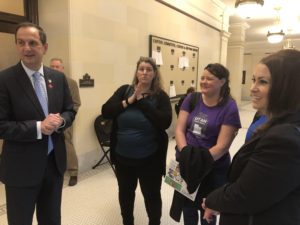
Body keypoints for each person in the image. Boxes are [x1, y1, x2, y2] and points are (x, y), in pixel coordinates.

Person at [203, 49, 300, 225]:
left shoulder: (284, 138)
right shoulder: (269, 117)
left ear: (286, 87)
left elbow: (247, 195)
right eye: (253, 80)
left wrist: (213, 199)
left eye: (263, 82)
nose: (252, 88)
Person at [0, 22, 76, 225]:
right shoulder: (4, 80)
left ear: (44, 47)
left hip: (53, 165)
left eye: (32, 43)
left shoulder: (58, 78)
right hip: (20, 169)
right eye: (21, 42)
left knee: (51, 219)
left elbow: (70, 109)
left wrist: (61, 121)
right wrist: (38, 127)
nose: (26, 48)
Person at [102, 56, 172, 225]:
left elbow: (165, 122)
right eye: (141, 69)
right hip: (123, 159)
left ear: (154, 73)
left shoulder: (160, 96)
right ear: (136, 71)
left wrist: (141, 101)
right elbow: (106, 111)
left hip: (150, 159)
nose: (144, 72)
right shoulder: (124, 91)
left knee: (152, 195)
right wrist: (129, 101)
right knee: (125, 194)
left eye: (149, 69)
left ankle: (154, 222)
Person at [172, 63, 241, 225]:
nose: (203, 81)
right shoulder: (192, 98)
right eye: (202, 78)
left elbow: (223, 146)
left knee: (207, 210)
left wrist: (197, 162)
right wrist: (186, 155)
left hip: (213, 168)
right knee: (187, 208)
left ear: (222, 81)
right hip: (186, 163)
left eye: (209, 78)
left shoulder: (229, 107)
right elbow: (180, 131)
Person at [50, 58, 81, 186]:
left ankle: (73, 172)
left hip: (65, 120)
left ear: (62, 68)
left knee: (67, 143)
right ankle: (55, 170)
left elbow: (76, 103)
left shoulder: (71, 83)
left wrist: (65, 118)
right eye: (52, 66)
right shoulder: (47, 82)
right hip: (49, 120)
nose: (54, 69)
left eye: (57, 66)